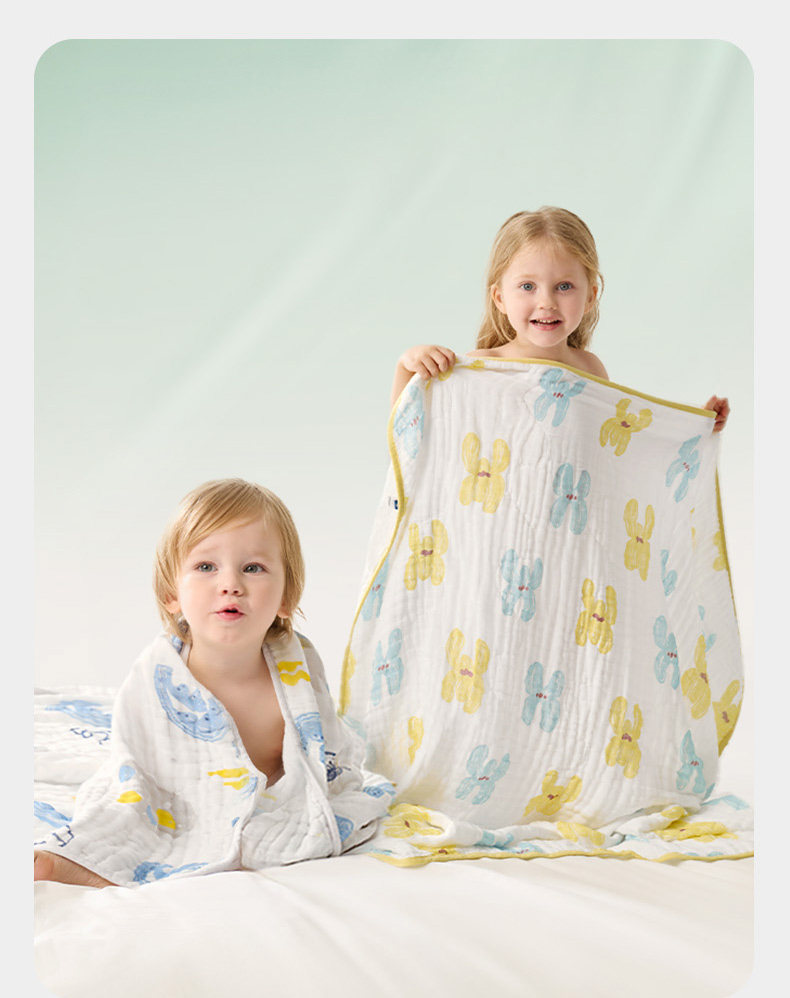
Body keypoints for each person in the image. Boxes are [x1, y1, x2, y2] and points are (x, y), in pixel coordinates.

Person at [34, 479, 391, 888]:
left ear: (286, 597)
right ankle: (65, 864)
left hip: (270, 796)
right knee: (123, 822)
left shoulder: (299, 667)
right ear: (172, 593)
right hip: (173, 800)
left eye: (253, 568)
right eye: (206, 567)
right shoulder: (156, 676)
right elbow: (137, 766)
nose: (230, 584)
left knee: (300, 833)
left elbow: (328, 756)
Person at [389, 207, 730, 430]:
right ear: (500, 298)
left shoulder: (590, 369)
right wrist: (407, 367)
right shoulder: (481, 368)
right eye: (527, 287)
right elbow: (412, 434)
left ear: (590, 296)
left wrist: (695, 427)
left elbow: (619, 450)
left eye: (564, 286)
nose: (546, 302)